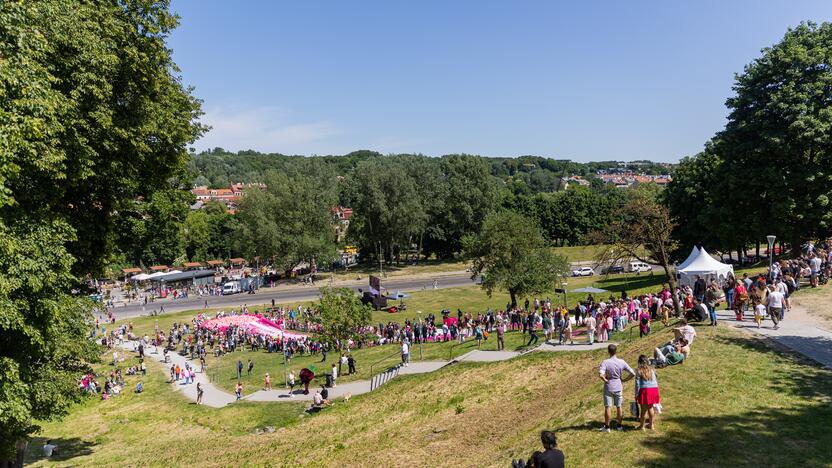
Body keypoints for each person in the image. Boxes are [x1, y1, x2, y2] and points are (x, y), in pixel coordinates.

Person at [599, 344, 635, 432]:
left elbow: (601, 374)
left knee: (608, 406)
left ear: (608, 351)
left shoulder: (605, 362)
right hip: (618, 385)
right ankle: (619, 426)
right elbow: (632, 373)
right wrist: (625, 380)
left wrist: (605, 380)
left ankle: (607, 427)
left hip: (609, 386)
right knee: (619, 406)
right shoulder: (621, 362)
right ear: (616, 351)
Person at [634, 355, 660, 430]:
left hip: (645, 390)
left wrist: (636, 394)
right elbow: (656, 377)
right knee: (650, 407)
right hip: (654, 389)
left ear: (639, 362)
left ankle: (642, 426)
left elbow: (637, 384)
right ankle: (651, 425)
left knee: (643, 409)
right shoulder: (652, 369)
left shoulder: (639, 370)